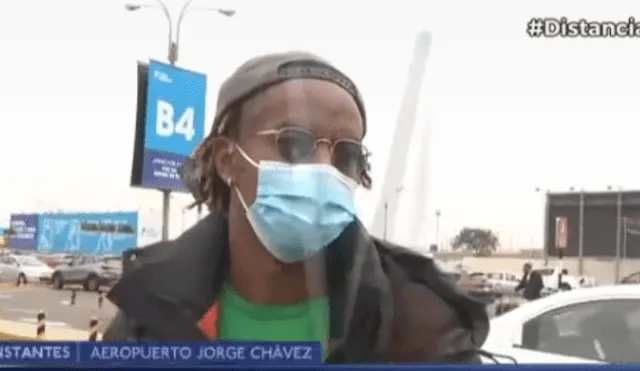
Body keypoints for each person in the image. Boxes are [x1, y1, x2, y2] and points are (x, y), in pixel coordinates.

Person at [104, 52, 489, 363]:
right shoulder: (151, 311)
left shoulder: (420, 323)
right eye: (294, 144)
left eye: (347, 155)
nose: (324, 169)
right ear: (226, 160)